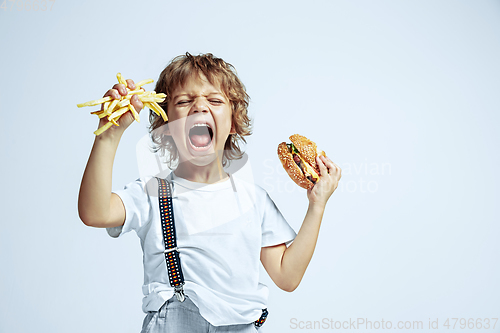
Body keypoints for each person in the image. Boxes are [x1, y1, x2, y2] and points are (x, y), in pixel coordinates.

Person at [78, 53, 342, 333]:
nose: (199, 107)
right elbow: (94, 213)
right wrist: (109, 135)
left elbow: (288, 277)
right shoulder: (152, 193)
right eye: (184, 101)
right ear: (166, 127)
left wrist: (317, 205)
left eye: (214, 101)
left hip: (242, 325)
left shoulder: (255, 199)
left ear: (233, 123)